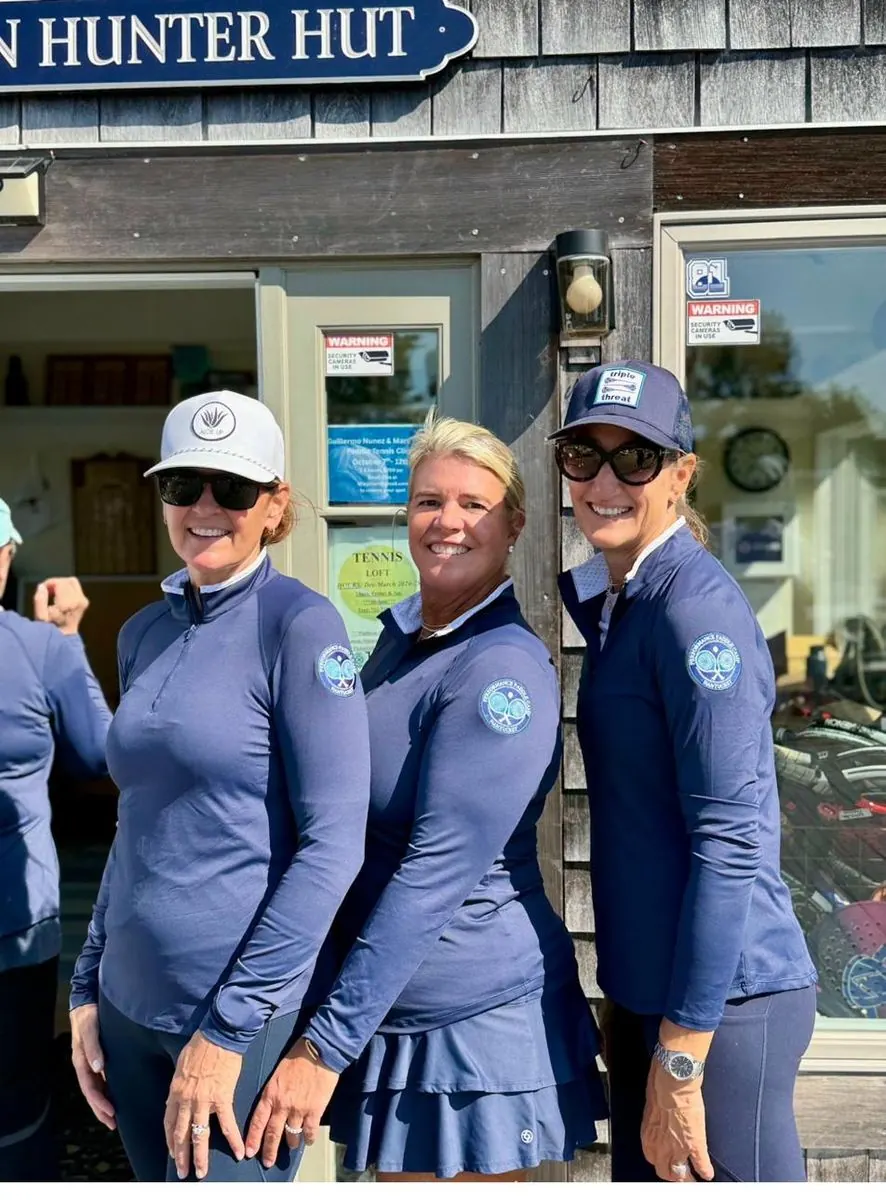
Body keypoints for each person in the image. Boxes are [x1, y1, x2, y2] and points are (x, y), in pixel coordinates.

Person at [244, 416, 608, 1181]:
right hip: (391, 1006)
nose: (448, 522)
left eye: (474, 504)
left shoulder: (498, 669)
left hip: (468, 1025)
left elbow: (436, 873)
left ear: (513, 525)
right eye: (427, 501)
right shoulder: (400, 643)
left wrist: (323, 1045)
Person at [68, 390, 371, 1184]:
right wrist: (85, 986)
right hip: (129, 1007)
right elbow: (138, 822)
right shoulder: (142, 633)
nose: (206, 508)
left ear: (273, 506)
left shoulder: (299, 627)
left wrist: (229, 1030)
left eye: (233, 489)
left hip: (231, 1019)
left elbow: (333, 846)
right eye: (183, 486)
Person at [550, 361, 818, 1183]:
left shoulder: (693, 615)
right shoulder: (624, 597)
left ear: (681, 474)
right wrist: (626, 1000)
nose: (606, 480)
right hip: (656, 999)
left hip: (724, 1008)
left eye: (636, 458)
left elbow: (733, 841)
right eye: (583, 456)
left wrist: (680, 1057)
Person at [0, 498, 112, 1182]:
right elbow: (102, 754)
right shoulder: (39, 649)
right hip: (16, 926)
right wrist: (68, 635)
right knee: (17, 1103)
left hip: (17, 924)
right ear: (9, 557)